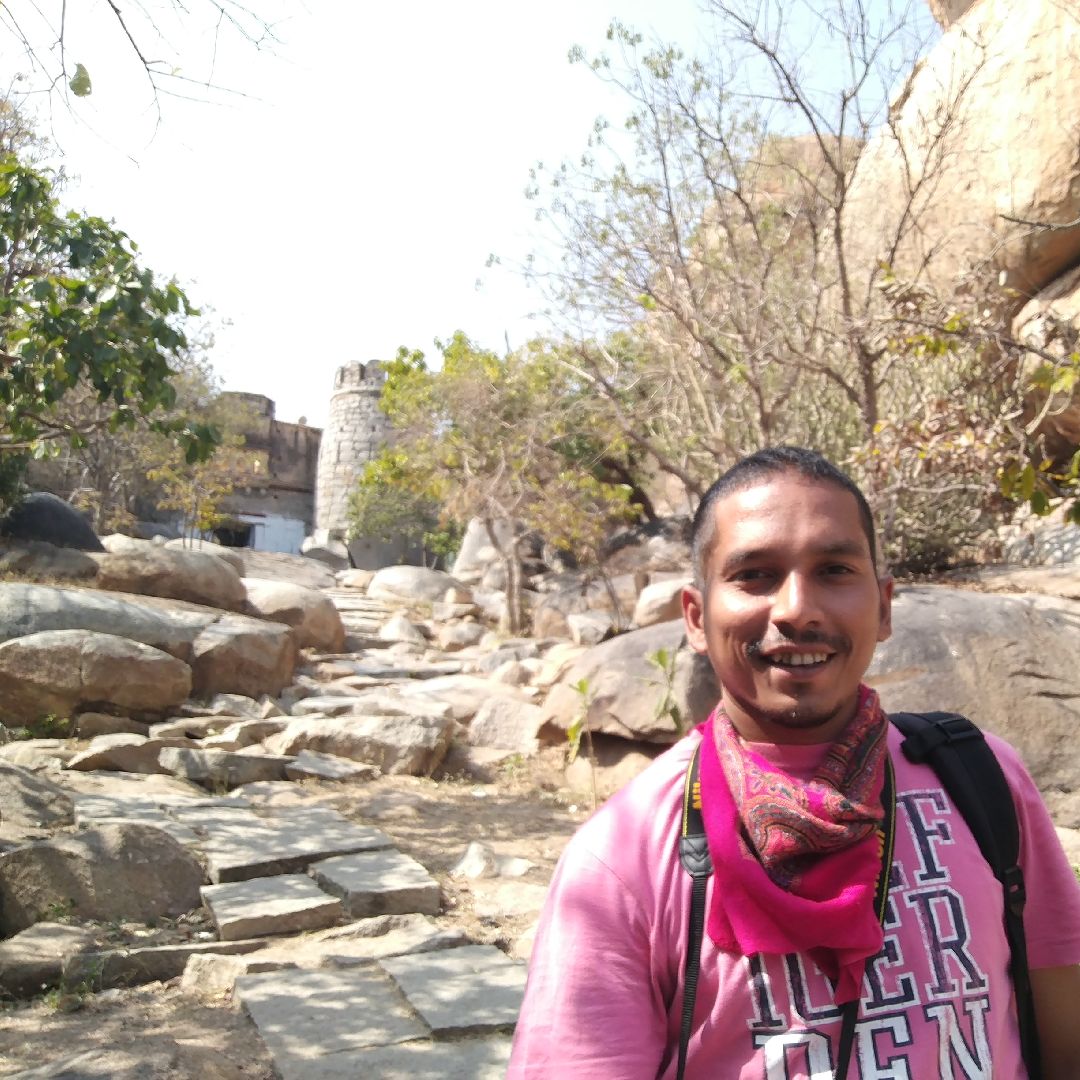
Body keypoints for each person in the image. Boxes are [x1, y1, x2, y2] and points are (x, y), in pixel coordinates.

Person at [507, 446, 1080, 1079]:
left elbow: (1062, 1025)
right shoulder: (623, 853)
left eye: (834, 570)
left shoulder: (981, 780)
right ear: (695, 618)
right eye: (755, 574)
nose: (796, 609)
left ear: (884, 606)